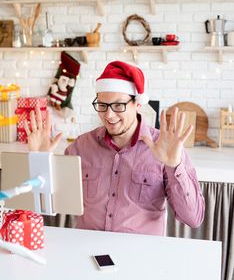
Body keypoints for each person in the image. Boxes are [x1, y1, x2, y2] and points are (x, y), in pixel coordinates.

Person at [25, 60, 205, 236]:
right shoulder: (80, 147)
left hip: (141, 252)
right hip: (87, 249)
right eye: (102, 105)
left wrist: (174, 165)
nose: (109, 115)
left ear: (137, 104)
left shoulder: (166, 148)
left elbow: (193, 219)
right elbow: (53, 203)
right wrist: (39, 161)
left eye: (118, 105)